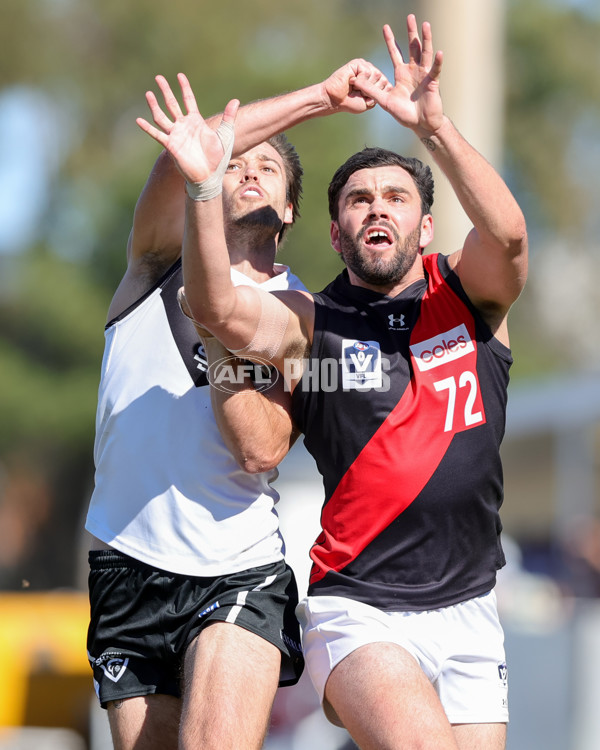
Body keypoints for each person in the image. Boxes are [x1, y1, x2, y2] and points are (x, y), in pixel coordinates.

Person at [137, 13, 528, 750]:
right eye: (358, 200)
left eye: (396, 197)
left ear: (424, 228)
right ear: (337, 233)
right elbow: (217, 306)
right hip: (361, 608)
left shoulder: (471, 298)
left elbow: (508, 235)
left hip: (473, 605)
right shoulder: (311, 320)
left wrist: (435, 128)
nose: (377, 205)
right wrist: (202, 193)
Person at [85, 59, 389, 750]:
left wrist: (222, 326)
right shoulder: (155, 259)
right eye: (237, 163)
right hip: (126, 564)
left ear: (288, 213)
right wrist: (316, 96)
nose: (249, 170)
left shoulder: (303, 314)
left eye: (271, 170)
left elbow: (261, 446)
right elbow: (191, 157)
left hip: (236, 568)